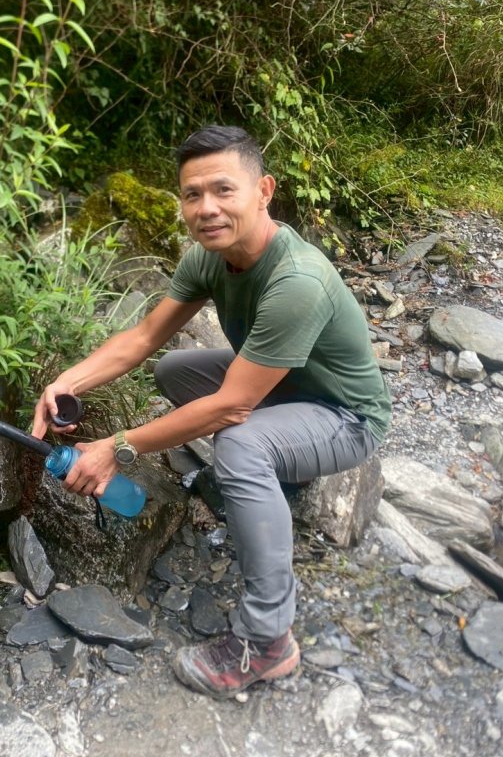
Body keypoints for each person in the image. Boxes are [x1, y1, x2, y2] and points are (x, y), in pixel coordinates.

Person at [31, 125, 391, 699]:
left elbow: (232, 405)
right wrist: (65, 380)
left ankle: (268, 641)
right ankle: (277, 474)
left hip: (344, 416)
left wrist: (116, 448)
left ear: (264, 191)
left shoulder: (297, 279)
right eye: (192, 194)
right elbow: (145, 335)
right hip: (286, 387)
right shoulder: (210, 257)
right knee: (174, 370)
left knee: (239, 443)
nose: (207, 208)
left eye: (223, 190)